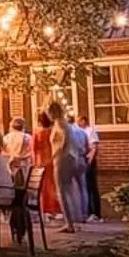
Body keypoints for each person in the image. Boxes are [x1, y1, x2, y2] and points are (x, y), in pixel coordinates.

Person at [47, 99, 89, 231]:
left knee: (62, 191)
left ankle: (69, 223)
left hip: (62, 159)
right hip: (71, 158)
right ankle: (74, 220)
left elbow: (63, 141)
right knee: (70, 190)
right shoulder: (66, 124)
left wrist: (55, 154)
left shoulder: (59, 124)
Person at [32, 111, 60, 220]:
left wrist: (34, 162)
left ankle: (45, 208)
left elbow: (34, 148)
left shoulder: (37, 132)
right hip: (51, 160)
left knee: (42, 187)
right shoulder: (52, 131)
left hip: (40, 160)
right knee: (53, 185)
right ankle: (55, 208)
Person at [1, 117, 33, 184]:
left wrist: (12, 156)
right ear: (23, 126)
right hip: (24, 167)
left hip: (10, 168)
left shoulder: (6, 138)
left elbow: (3, 153)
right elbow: (31, 152)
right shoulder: (28, 137)